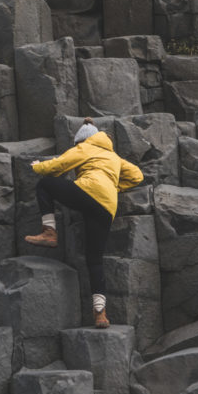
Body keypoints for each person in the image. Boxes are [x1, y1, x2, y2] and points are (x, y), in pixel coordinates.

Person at [25, 117, 144, 328]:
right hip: (107, 207)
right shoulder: (113, 156)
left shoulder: (85, 147)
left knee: (45, 185)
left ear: (81, 140)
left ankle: (49, 232)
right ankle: (100, 314)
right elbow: (137, 176)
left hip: (88, 193)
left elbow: (59, 165)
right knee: (95, 260)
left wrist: (37, 167)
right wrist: (114, 187)